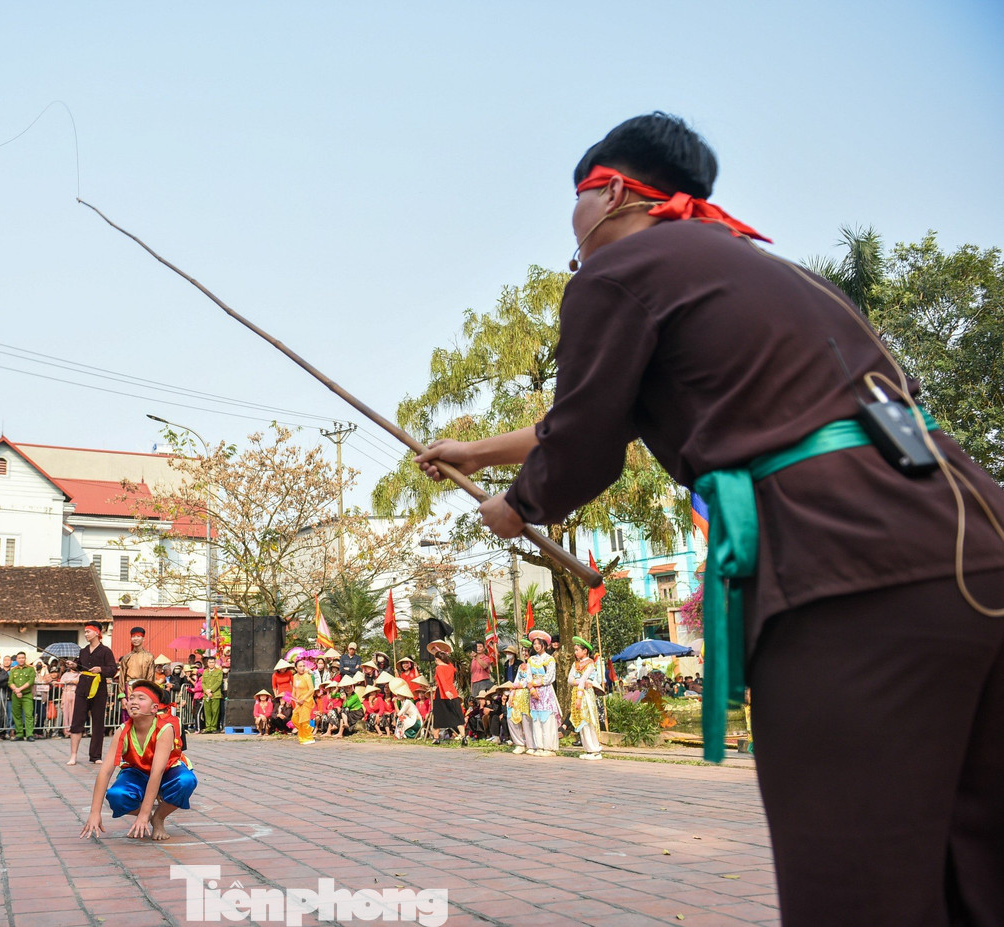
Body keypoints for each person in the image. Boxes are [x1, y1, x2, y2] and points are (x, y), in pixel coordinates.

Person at [409, 112, 1004, 922]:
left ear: (610, 189)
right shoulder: (761, 269)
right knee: (978, 865)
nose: (574, 228)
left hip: (849, 567)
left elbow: (583, 444)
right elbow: (607, 417)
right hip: (970, 537)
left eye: (575, 202)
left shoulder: (622, 269)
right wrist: (478, 453)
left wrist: (518, 507)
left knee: (855, 884)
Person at [80, 679, 197, 842]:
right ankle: (147, 813)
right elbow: (105, 771)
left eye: (141, 698)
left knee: (186, 781)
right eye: (132, 697)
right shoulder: (122, 730)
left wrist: (143, 815)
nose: (134, 701)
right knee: (116, 795)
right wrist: (94, 813)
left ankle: (158, 817)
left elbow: (158, 772)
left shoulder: (165, 729)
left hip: (167, 771)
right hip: (137, 772)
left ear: (154, 708)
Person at [68, 622, 118, 766]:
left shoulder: (105, 651)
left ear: (97, 633)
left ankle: (95, 756)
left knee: (98, 723)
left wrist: (101, 669)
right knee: (77, 722)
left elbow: (112, 669)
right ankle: (73, 755)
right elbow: (79, 665)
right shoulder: (83, 651)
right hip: (83, 687)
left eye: (88, 631)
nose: (86, 634)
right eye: (85, 632)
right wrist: (74, 665)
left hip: (99, 689)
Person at [516, 634, 562, 756]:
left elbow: (550, 677)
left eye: (538, 643)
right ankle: (539, 746)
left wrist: (537, 683)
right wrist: (531, 688)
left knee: (546, 719)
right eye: (534, 644)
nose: (536, 646)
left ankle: (549, 748)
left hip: (545, 690)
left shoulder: (550, 659)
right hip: (533, 692)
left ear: (544, 645)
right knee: (536, 719)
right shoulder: (531, 660)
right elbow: (528, 675)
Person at [567, 638, 605, 759]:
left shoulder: (590, 664)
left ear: (585, 651)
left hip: (586, 695)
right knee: (581, 722)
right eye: (575, 650)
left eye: (577, 650)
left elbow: (584, 680)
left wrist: (579, 689)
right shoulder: (575, 664)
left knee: (588, 719)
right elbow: (570, 680)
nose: (576, 652)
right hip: (578, 692)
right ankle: (588, 749)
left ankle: (595, 749)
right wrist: (579, 682)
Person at [426, 641, 463, 744]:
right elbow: (450, 664)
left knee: (438, 716)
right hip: (453, 691)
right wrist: (439, 652)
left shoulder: (439, 668)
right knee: (457, 714)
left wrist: (446, 691)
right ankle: (463, 736)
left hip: (442, 692)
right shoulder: (450, 667)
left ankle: (436, 738)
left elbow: (442, 680)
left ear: (437, 659)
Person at [8, 652, 36, 741]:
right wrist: (16, 690)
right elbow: (10, 682)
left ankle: (29, 734)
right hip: (15, 694)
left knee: (28, 715)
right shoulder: (13, 670)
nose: (21, 659)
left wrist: (19, 689)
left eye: (23, 658)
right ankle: (19, 734)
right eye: (19, 658)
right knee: (17, 715)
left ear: (25, 659)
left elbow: (31, 681)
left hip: (26, 694)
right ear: (16, 659)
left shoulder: (30, 669)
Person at [288, 657, 314, 744]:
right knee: (294, 719)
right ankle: (306, 733)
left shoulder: (307, 676)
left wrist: (304, 699)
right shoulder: (295, 676)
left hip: (306, 701)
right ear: (296, 668)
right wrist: (292, 699)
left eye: (303, 666)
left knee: (304, 720)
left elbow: (311, 690)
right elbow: (294, 689)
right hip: (298, 702)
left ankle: (307, 738)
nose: (302, 667)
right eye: (300, 666)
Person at [199, 655, 224, 734]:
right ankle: (208, 727)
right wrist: (206, 691)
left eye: (213, 662)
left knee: (215, 711)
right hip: (206, 695)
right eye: (210, 662)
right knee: (207, 711)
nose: (211, 664)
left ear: (215, 663)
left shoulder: (219, 671)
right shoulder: (205, 671)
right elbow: (203, 683)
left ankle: (213, 727)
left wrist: (211, 690)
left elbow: (219, 682)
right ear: (207, 663)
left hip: (215, 694)